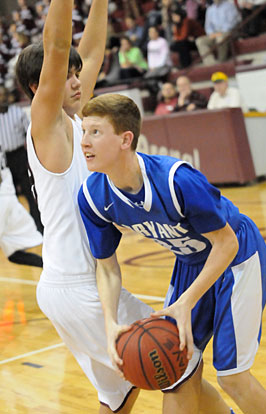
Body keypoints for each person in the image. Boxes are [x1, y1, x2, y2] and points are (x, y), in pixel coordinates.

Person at [78, 92, 266, 414]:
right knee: (176, 374)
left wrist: (185, 303)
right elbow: (108, 268)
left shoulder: (175, 179)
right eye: (83, 132)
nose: (84, 142)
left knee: (232, 377)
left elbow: (226, 243)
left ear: (125, 139)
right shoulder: (92, 196)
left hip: (238, 256)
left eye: (95, 132)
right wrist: (110, 322)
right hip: (190, 263)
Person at [15, 1, 153, 413]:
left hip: (71, 285)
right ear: (40, 86)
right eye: (67, 75)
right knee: (179, 358)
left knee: (120, 396)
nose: (76, 80)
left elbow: (90, 52)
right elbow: (56, 47)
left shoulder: (75, 121)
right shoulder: (46, 125)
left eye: (78, 75)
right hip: (78, 285)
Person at [0, 85, 43, 233]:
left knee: (29, 193)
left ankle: (38, 227)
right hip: (3, 160)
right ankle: (13, 232)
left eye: (4, 95)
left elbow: (31, 136)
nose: (2, 99)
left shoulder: (18, 113)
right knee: (7, 197)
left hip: (20, 156)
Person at [0, 147, 43, 267]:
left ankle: (55, 267)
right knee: (14, 254)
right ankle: (48, 266)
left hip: (3, 196)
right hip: (6, 190)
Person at [195, 0, 240, 65]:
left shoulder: (229, 6)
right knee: (199, 41)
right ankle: (210, 63)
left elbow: (232, 22)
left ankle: (221, 61)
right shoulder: (210, 9)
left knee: (220, 38)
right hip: (215, 34)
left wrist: (221, 32)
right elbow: (208, 26)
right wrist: (212, 33)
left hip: (228, 31)